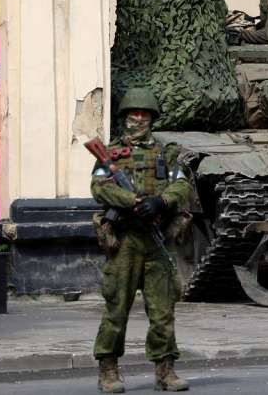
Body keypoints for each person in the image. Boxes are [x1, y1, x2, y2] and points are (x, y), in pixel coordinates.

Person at [92, 87, 192, 392]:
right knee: (116, 307)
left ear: (152, 118)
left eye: (144, 114)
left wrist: (161, 202)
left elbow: (181, 185)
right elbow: (99, 187)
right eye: (133, 114)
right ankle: (108, 370)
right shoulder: (109, 153)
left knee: (163, 310)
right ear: (124, 118)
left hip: (157, 239)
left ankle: (165, 369)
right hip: (124, 241)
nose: (138, 119)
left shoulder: (167, 152)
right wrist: (130, 200)